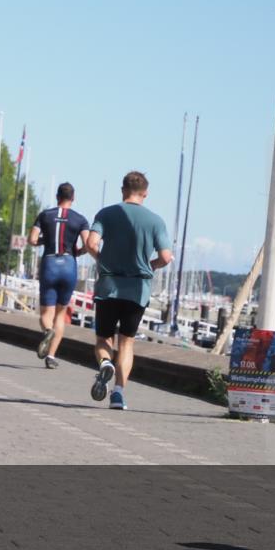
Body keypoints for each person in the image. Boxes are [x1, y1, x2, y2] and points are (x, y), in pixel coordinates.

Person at [84, 171, 173, 410]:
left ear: (123, 190)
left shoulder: (107, 214)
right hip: (137, 289)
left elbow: (90, 243)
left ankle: (105, 363)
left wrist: (100, 259)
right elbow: (166, 257)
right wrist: (151, 265)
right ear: (145, 193)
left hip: (109, 285)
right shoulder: (155, 221)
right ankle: (118, 394)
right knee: (127, 342)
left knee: (104, 338)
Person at [29, 182, 90, 369]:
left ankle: (48, 331)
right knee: (61, 314)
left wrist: (44, 240)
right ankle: (52, 356)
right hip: (69, 265)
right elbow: (89, 244)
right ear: (73, 198)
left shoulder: (45, 215)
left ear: (57, 197)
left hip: (50, 263)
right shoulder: (80, 219)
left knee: (46, 313)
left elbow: (32, 240)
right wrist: (77, 252)